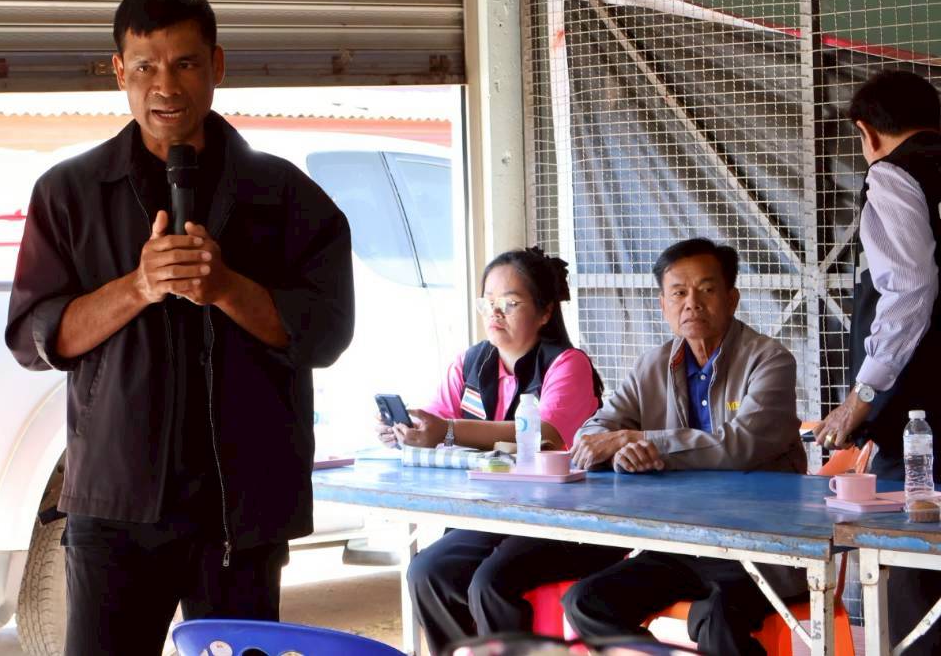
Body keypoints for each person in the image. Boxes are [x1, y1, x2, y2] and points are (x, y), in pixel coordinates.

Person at [5, 0, 355, 656]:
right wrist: (139, 286)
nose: (165, 86)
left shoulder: (284, 194)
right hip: (115, 508)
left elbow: (326, 332)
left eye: (185, 63)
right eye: (145, 67)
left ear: (216, 65)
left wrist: (226, 287)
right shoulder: (69, 194)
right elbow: (31, 336)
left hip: (241, 511)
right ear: (120, 72)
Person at [562, 238, 806, 656]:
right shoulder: (651, 365)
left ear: (732, 299)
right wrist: (619, 450)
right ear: (663, 305)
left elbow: (742, 444)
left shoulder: (770, 360)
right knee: (586, 603)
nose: (692, 303)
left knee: (719, 619)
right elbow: (594, 432)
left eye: (706, 289)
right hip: (682, 543)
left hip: (761, 546)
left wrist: (642, 441)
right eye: (678, 293)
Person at [392, 248, 609, 654]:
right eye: (488, 303)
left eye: (509, 303)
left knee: (490, 584)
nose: (495, 313)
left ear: (545, 312)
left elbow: (546, 434)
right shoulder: (470, 363)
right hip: (490, 512)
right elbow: (436, 421)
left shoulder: (567, 364)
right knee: (427, 572)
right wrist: (410, 430)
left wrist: (449, 430)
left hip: (557, 518)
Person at [812, 70, 941, 654]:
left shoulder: (893, 174)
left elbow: (909, 287)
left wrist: (862, 395)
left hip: (923, 417)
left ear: (865, 132)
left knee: (913, 576)